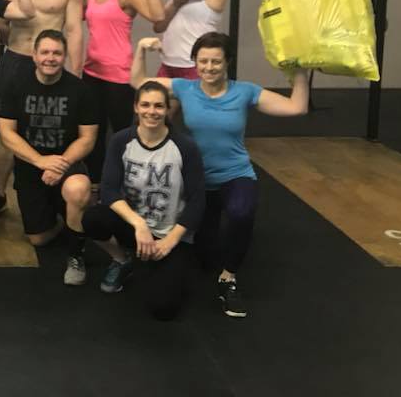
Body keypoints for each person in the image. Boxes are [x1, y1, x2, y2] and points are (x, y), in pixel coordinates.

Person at [131, 31, 309, 318]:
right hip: (198, 181)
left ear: (227, 62)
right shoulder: (185, 88)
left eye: (216, 62)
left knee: (241, 212)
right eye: (203, 62)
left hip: (235, 174)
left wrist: (300, 71)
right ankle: (209, 255)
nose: (209, 68)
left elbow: (296, 107)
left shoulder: (246, 91)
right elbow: (139, 83)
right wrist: (140, 49)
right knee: (205, 255)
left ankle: (229, 278)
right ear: (195, 62)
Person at [82, 81, 205, 320]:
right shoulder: (121, 141)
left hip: (169, 234)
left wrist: (170, 241)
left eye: (159, 106)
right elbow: (108, 190)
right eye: (146, 105)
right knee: (93, 218)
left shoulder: (185, 147)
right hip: (136, 228)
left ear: (168, 109)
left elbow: (198, 200)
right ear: (136, 107)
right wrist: (138, 224)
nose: (152, 111)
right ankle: (122, 260)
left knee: (163, 308)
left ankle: (159, 263)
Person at [0, 0, 83, 218]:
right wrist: (17, 46)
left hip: (51, 66)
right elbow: (1, 25)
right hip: (16, 60)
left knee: (53, 125)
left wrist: (77, 73)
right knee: (6, 130)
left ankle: (55, 187)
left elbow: (74, 30)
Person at [0, 29, 96, 285]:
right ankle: (68, 221)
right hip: (31, 167)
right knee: (38, 239)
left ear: (64, 56)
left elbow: (87, 138)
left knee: (78, 188)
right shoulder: (14, 84)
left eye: (57, 53)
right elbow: (7, 134)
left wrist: (60, 164)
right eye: (45, 52)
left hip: (67, 163)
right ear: (34, 55)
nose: (50, 58)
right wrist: (40, 161)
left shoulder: (80, 90)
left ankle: (76, 255)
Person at [82, 0, 164, 182]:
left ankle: (123, 182)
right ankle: (96, 182)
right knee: (92, 133)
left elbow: (157, 15)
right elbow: (74, 19)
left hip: (119, 75)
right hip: (91, 73)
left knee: (121, 133)